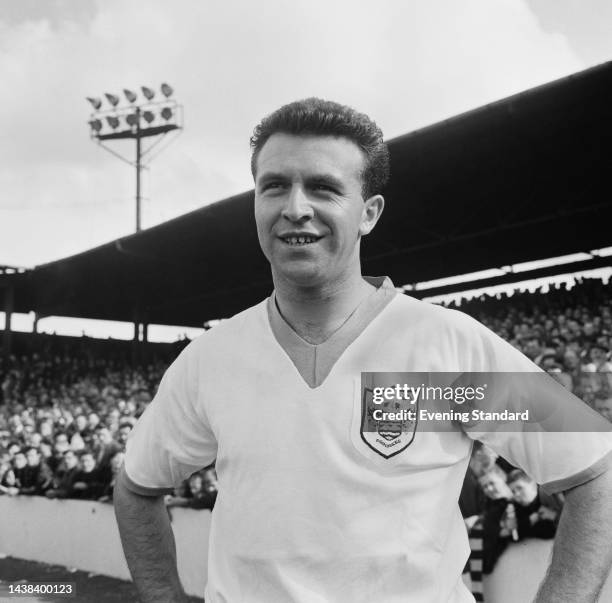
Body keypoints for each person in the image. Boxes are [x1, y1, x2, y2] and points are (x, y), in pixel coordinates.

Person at [115, 98, 612, 603]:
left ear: (368, 213)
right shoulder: (210, 360)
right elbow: (136, 487)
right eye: (274, 186)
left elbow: (597, 471)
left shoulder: (447, 345)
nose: (295, 207)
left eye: (324, 187)